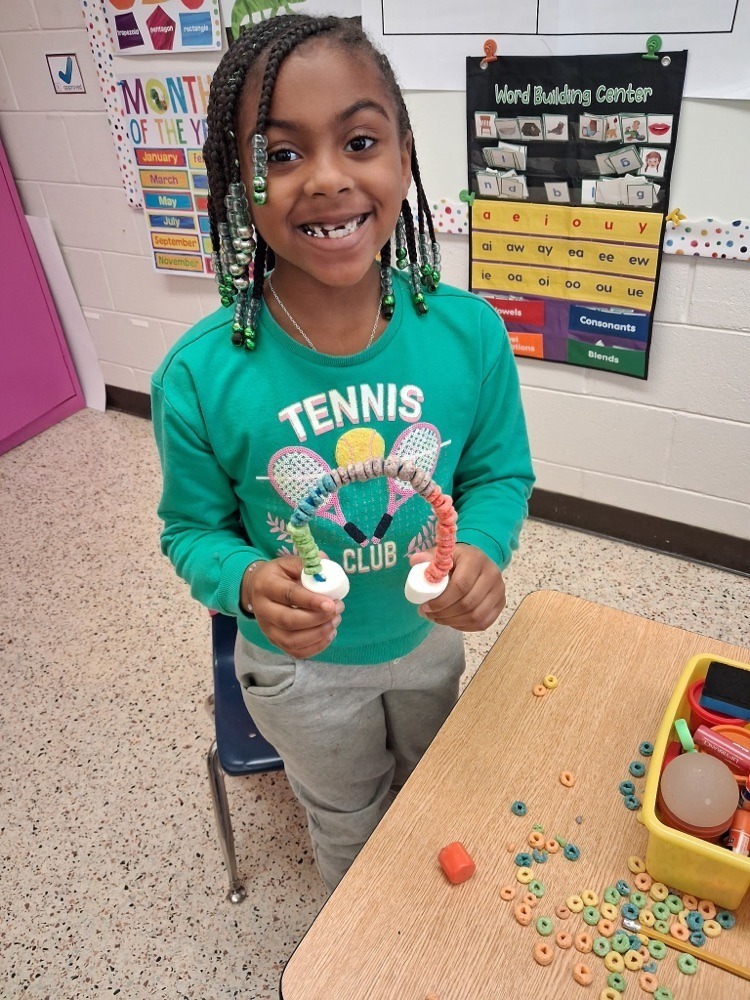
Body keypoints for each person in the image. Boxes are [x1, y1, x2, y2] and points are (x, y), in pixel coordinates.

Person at [151, 14, 534, 892]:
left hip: (428, 641)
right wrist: (247, 581)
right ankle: (367, 936)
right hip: (300, 673)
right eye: (280, 156)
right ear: (237, 184)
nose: (326, 179)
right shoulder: (201, 376)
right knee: (349, 817)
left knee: (433, 783)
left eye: (359, 140)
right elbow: (190, 533)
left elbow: (496, 474)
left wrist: (481, 548)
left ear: (402, 156)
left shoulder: (468, 335)